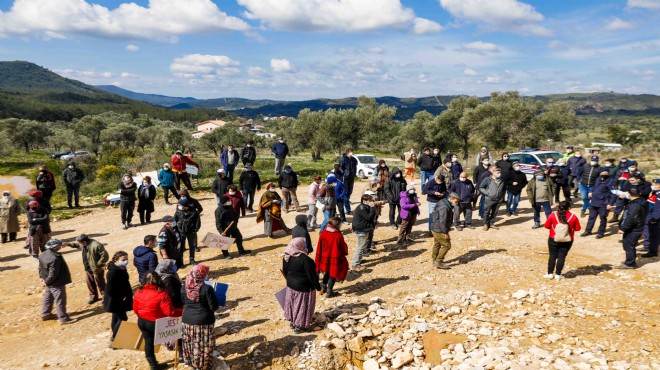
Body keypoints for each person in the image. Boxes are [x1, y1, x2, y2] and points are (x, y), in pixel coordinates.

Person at [133, 271, 179, 370]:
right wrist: (182, 311)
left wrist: (142, 315)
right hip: (156, 323)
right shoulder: (162, 293)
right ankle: (182, 355)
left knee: (148, 342)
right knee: (175, 335)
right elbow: (169, 312)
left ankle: (153, 365)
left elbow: (135, 309)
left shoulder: (138, 291)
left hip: (142, 321)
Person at [181, 265, 218, 370]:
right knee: (203, 344)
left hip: (187, 320)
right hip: (204, 321)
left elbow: (183, 302)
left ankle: (191, 362)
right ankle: (203, 364)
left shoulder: (183, 287)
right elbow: (214, 306)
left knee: (191, 342)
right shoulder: (207, 288)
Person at [283, 237, 322, 333]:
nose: (305, 246)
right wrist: (319, 288)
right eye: (304, 244)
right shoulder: (306, 260)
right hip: (303, 288)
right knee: (302, 307)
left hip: (291, 286)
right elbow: (312, 277)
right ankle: (300, 327)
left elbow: (285, 271)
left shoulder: (287, 256)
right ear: (300, 246)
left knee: (293, 305)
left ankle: (293, 322)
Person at [39, 239, 77, 324]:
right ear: (55, 247)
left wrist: (42, 278)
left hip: (48, 281)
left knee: (48, 298)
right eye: (59, 245)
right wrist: (47, 282)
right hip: (56, 282)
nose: (60, 246)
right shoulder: (55, 258)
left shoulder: (43, 254)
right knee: (60, 300)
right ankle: (63, 318)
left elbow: (40, 268)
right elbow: (53, 274)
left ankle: (45, 314)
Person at [544, 201, 581, 279]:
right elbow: (578, 228)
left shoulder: (553, 215)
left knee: (552, 256)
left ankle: (550, 274)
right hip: (567, 240)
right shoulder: (573, 217)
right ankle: (558, 274)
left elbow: (546, 226)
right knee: (562, 257)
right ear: (569, 207)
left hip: (553, 238)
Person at [155, 258, 184, 359]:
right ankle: (180, 352)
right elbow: (173, 295)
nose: (174, 267)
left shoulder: (160, 276)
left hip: (166, 308)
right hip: (174, 307)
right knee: (177, 330)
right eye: (172, 266)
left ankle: (171, 345)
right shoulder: (168, 279)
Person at [69, 234, 109, 304]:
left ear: (84, 241)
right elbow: (77, 245)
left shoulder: (96, 245)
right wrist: (68, 244)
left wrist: (99, 264)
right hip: (88, 268)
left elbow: (105, 256)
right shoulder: (84, 244)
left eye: (80, 242)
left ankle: (105, 297)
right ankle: (93, 297)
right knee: (90, 282)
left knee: (100, 283)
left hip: (96, 268)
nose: (79, 244)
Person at [315, 217, 349, 298]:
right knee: (333, 273)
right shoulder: (337, 235)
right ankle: (329, 291)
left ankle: (323, 286)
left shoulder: (323, 232)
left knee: (327, 271)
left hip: (324, 257)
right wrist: (345, 252)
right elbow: (343, 247)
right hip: (334, 257)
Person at [103, 251, 132, 341]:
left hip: (118, 299)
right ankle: (115, 338)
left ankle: (115, 334)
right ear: (116, 260)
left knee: (116, 317)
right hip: (115, 300)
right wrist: (120, 297)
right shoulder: (113, 273)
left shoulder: (121, 269)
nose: (126, 261)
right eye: (123, 259)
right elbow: (109, 290)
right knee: (123, 318)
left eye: (127, 259)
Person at [616, 187, 649, 269]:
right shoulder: (643, 202)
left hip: (633, 229)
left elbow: (631, 218)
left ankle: (630, 264)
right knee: (629, 245)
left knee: (628, 246)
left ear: (629, 194)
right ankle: (631, 260)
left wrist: (623, 228)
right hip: (638, 227)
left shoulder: (635, 205)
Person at [580, 170, 616, 239]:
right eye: (602, 173)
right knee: (591, 217)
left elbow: (613, 193)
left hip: (604, 203)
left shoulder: (611, 181)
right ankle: (588, 231)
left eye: (606, 173)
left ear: (608, 174)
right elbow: (594, 187)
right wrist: (591, 191)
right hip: (594, 202)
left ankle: (601, 233)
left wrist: (610, 203)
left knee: (603, 218)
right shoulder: (597, 179)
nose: (604, 174)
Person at [431, 192, 460, 269]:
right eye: (456, 201)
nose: (457, 203)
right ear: (450, 199)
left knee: (437, 244)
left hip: (435, 227)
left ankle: (434, 259)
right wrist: (445, 232)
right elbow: (442, 221)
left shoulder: (443, 202)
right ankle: (438, 261)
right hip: (439, 229)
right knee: (447, 245)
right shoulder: (445, 207)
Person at [351, 194, 376, 270]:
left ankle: (359, 259)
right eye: (370, 200)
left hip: (362, 228)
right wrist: (372, 208)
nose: (371, 201)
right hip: (361, 230)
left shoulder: (363, 206)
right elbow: (369, 217)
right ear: (364, 201)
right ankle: (355, 263)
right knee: (360, 247)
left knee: (363, 245)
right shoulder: (362, 208)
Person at [174, 198, 201, 266]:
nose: (179, 206)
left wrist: (194, 231)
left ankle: (192, 259)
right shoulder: (178, 212)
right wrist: (175, 230)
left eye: (181, 205)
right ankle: (181, 261)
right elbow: (174, 221)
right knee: (181, 248)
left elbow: (197, 223)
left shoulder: (194, 212)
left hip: (191, 233)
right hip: (181, 232)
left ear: (186, 206)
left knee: (192, 246)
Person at [642, 179, 659, 258]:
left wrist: (654, 218)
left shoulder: (659, 195)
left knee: (653, 235)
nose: (653, 186)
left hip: (654, 218)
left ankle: (652, 251)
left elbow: (658, 209)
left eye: (655, 184)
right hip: (650, 215)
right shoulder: (655, 193)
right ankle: (649, 247)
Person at [339, 148, 358, 215]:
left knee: (349, 192)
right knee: (346, 193)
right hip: (345, 178)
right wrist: (343, 175)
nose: (351, 153)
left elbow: (355, 167)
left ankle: (345, 203)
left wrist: (354, 174)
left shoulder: (353, 159)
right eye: (350, 152)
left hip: (352, 178)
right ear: (347, 152)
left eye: (352, 151)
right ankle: (348, 210)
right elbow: (340, 168)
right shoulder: (343, 159)